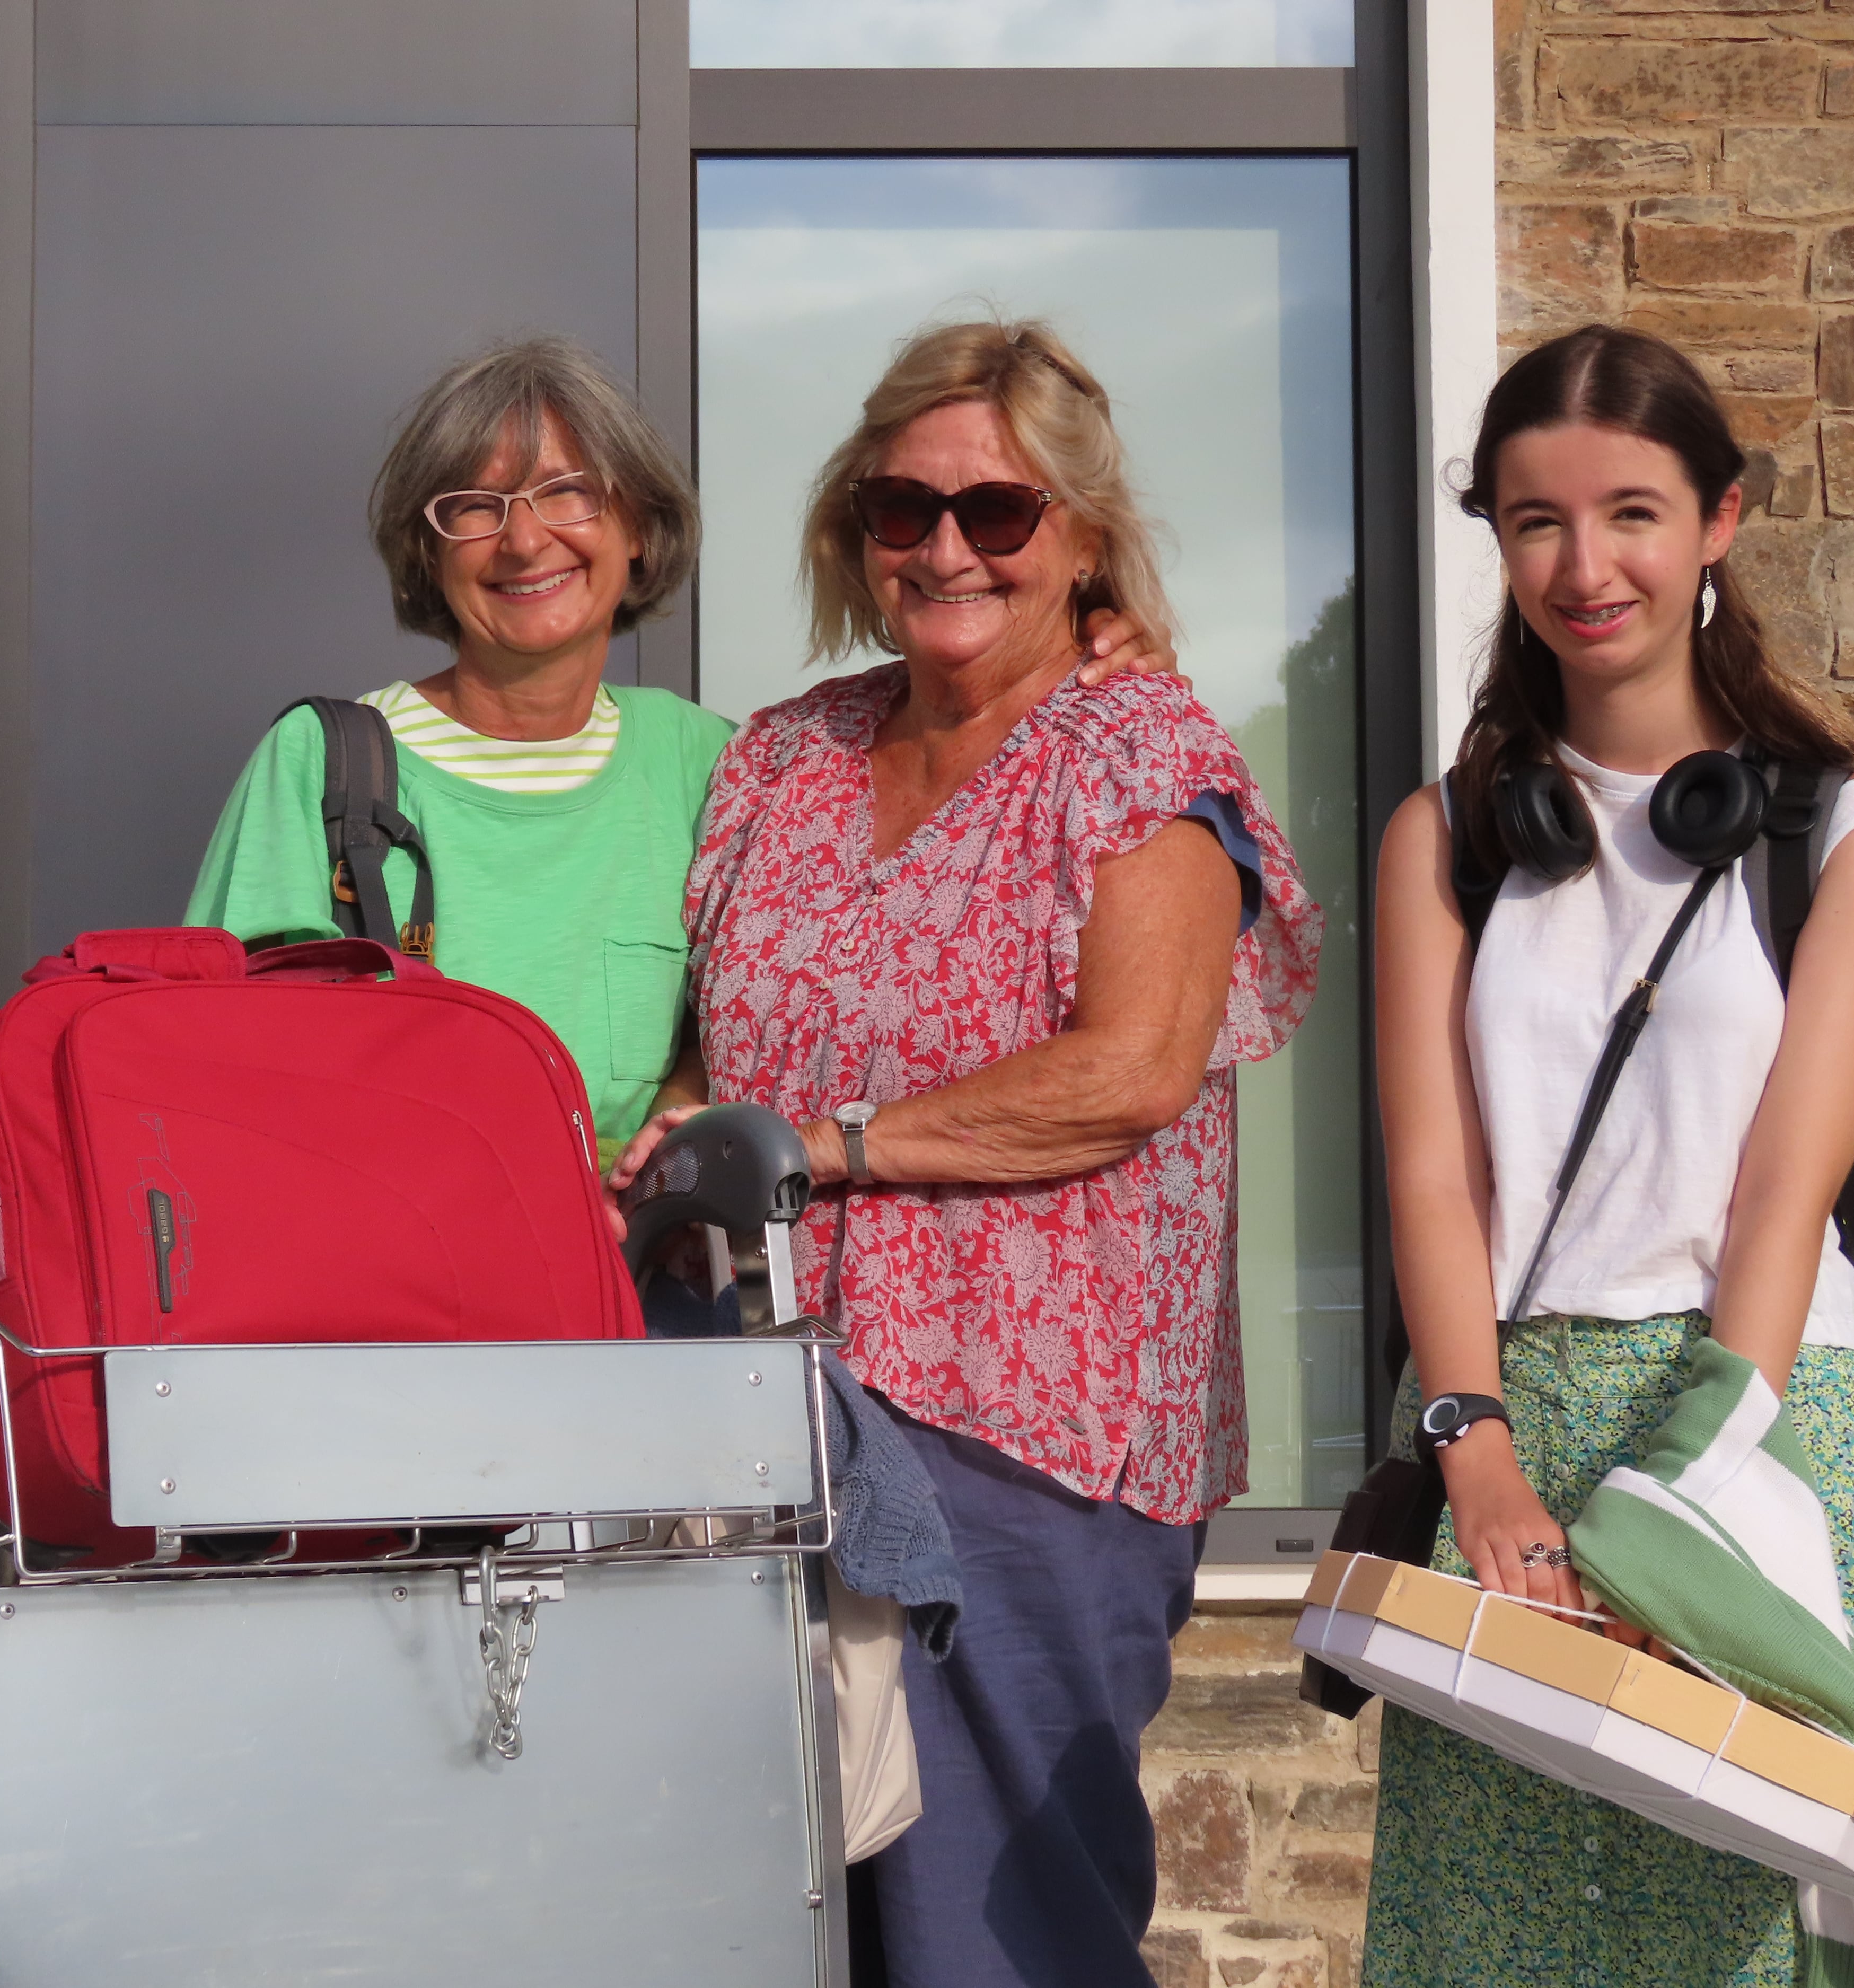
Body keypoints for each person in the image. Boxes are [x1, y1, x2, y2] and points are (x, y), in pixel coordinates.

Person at [617, 318, 1321, 1988]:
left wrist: (836, 1143)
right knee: (766, 1918)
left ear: (1078, 531)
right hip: (757, 1415)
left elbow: (1133, 1070)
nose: (946, 547)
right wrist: (689, 1116)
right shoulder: (781, 756)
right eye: (902, 508)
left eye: (998, 513)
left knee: (1000, 1926)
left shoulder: (1139, 752)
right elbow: (731, 1040)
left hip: (1025, 1428)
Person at [1361, 324, 1854, 1985]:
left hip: (1761, 1427)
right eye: (1537, 522)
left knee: (1778, 1936)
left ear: (1718, 521)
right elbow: (1438, 1178)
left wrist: (1691, 1498)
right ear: (1497, 543)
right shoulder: (1447, 837)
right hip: (1514, 1439)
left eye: (1634, 513)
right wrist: (1478, 1454)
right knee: (1519, 1936)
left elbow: (1784, 1192)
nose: (1589, 566)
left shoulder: (1843, 829)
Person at [186, 335, 1180, 1184]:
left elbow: (744, 1037)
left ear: (639, 533)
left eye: (567, 493)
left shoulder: (716, 764)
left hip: (642, 1319)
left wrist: (1081, 635)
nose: (525, 540)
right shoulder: (325, 766)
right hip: (395, 1317)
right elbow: (235, 1086)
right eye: (473, 506)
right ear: (429, 553)